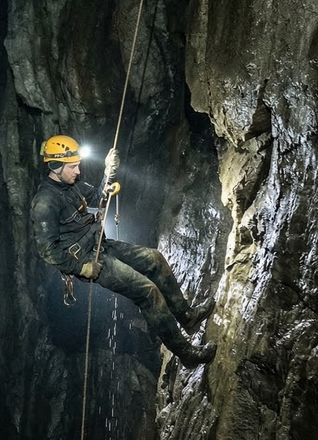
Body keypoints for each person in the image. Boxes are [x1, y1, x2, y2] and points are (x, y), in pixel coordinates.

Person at [30, 134, 217, 366]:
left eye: (78, 165)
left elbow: (98, 197)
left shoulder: (73, 186)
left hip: (101, 245)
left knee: (154, 259)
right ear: (56, 166)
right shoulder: (45, 202)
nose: (78, 171)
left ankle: (187, 317)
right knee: (149, 292)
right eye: (72, 166)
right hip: (91, 261)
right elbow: (47, 249)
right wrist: (82, 268)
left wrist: (109, 174)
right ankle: (186, 353)